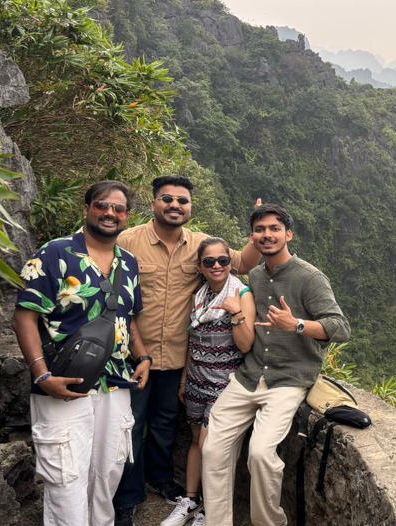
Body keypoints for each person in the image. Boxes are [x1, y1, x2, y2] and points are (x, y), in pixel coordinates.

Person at [113, 175, 262, 526]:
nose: (175, 206)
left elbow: (241, 262)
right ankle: (128, 498)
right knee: (129, 426)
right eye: (167, 199)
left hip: (178, 358)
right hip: (134, 354)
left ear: (190, 207)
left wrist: (256, 232)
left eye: (182, 201)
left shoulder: (200, 245)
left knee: (165, 423)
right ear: (154, 203)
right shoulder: (128, 240)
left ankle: (161, 477)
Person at [202, 204, 351, 526]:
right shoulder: (254, 275)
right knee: (213, 449)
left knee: (260, 454)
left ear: (288, 234)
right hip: (249, 375)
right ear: (252, 237)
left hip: (289, 380)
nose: (266, 235)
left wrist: (296, 324)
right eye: (259, 230)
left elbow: (340, 328)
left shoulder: (310, 278)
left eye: (273, 228)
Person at [12, 181, 151, 526]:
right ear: (87, 208)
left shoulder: (129, 262)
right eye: (103, 205)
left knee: (108, 471)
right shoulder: (55, 253)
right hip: (64, 381)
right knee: (66, 476)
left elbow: (128, 318)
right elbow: (24, 315)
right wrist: (42, 375)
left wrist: (143, 357)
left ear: (126, 217)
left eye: (118, 209)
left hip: (115, 383)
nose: (110, 213)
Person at [160, 238, 256, 526]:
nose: (217, 266)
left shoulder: (242, 293)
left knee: (209, 446)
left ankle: (210, 512)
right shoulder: (199, 295)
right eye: (209, 261)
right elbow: (193, 340)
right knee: (195, 443)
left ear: (230, 263)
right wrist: (185, 378)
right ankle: (190, 500)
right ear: (200, 267)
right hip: (197, 381)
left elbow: (246, 345)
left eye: (223, 261)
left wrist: (236, 312)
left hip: (224, 384)